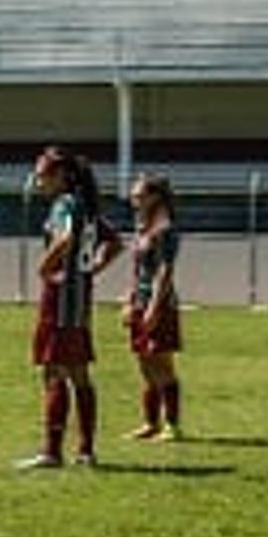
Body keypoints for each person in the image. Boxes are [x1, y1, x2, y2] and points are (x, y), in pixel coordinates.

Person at [17, 147, 121, 470]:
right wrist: (91, 270)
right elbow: (114, 242)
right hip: (79, 300)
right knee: (79, 374)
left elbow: (63, 239)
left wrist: (45, 267)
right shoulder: (86, 206)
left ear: (61, 175)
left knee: (53, 372)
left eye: (43, 174)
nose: (38, 180)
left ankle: (52, 451)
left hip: (59, 299)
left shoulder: (64, 204)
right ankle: (86, 450)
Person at [123, 173, 184, 442]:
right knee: (144, 363)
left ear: (154, 197)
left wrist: (153, 308)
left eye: (139, 195)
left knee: (162, 364)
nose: (133, 200)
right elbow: (138, 270)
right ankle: (151, 423)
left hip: (159, 304)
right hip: (140, 301)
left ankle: (172, 425)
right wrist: (130, 299)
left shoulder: (165, 229)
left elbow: (164, 272)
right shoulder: (141, 228)